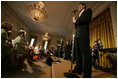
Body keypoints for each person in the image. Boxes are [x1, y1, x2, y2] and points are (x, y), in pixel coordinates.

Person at [72, 3, 92, 78]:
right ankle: (78, 69)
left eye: (80, 5)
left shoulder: (88, 11)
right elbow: (77, 27)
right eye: (78, 6)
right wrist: (75, 21)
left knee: (86, 54)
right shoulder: (78, 16)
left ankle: (87, 74)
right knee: (78, 55)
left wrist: (76, 21)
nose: (78, 7)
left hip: (83, 36)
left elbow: (86, 19)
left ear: (84, 6)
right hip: (77, 36)